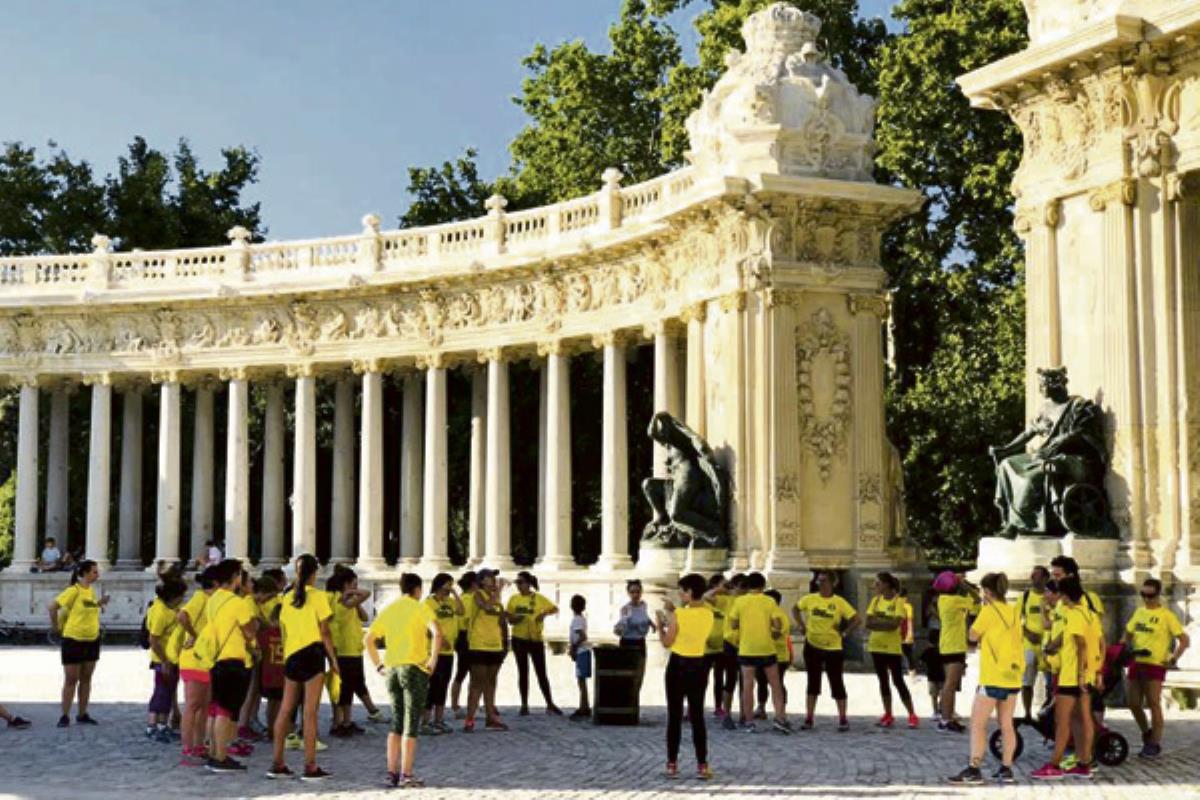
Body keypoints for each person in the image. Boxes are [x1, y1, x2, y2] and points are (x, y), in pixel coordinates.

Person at [366, 572, 443, 789]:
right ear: (417, 589)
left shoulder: (390, 609)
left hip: (392, 668)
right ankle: (406, 773)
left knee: (396, 721)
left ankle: (391, 772)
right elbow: (437, 633)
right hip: (414, 668)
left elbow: (368, 639)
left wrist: (378, 664)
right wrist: (433, 659)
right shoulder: (420, 607)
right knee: (411, 723)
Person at [269, 554, 339, 782]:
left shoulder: (285, 597)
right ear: (314, 573)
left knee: (285, 709)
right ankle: (310, 765)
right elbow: (325, 632)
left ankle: (277, 762)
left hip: (291, 655)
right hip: (312, 654)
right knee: (310, 713)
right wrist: (334, 662)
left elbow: (282, 628)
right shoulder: (318, 597)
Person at [948, 573, 1022, 785]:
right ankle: (1006, 768)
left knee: (978, 724)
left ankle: (974, 768)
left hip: (992, 676)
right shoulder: (1014, 611)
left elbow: (972, 635)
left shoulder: (988, 611)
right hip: (1013, 675)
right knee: (1006, 724)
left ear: (987, 592)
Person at [1033, 575, 1098, 780]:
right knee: (1083, 718)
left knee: (1062, 722)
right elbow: (1098, 642)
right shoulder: (1088, 614)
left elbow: (1081, 645)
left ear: (1064, 595)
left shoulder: (1074, 615)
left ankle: (1054, 764)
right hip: (1087, 674)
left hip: (1072, 676)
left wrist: (1078, 675)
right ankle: (1084, 762)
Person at [656, 573, 715, 780]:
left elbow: (667, 642)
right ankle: (702, 764)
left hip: (678, 665)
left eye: (682, 590)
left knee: (674, 716)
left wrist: (659, 626)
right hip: (699, 665)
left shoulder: (679, 615)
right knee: (697, 716)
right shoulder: (709, 614)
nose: (680, 593)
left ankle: (672, 763)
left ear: (689, 592)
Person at [1124, 578, 1190, 758]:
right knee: (1133, 702)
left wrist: (1173, 658)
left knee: (1153, 702)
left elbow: (1184, 640)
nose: (1146, 599)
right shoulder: (1139, 612)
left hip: (1155, 664)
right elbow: (1128, 633)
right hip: (1137, 662)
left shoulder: (1167, 616)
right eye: (1143, 594)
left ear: (1158, 594)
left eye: (1150, 595)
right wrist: (1124, 647)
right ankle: (1146, 731)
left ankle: (1155, 742)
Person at [204, 560, 258, 773]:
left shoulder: (213, 600)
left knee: (216, 709)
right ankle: (221, 756)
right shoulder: (238, 603)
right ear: (236, 577)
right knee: (226, 711)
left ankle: (212, 752)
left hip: (216, 658)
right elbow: (249, 632)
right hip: (234, 659)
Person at [793, 569, 858, 731]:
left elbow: (856, 619)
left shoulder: (839, 602)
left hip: (833, 648)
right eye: (818, 581)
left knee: (836, 683)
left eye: (823, 581)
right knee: (812, 683)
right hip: (812, 645)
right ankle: (809, 718)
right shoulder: (810, 598)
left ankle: (843, 718)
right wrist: (801, 624)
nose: (819, 583)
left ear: (832, 583)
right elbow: (795, 608)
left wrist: (845, 632)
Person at [730, 572, 791, 734]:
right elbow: (777, 624)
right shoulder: (769, 601)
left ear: (748, 586)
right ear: (763, 586)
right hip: (766, 648)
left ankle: (749, 721)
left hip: (747, 648)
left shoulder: (740, 601)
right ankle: (780, 717)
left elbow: (734, 623)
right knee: (775, 684)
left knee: (748, 686)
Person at [49, 560, 107, 727]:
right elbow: (52, 606)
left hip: (92, 639)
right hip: (73, 639)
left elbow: (89, 607)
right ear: (85, 573)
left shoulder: (92, 591)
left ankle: (82, 713)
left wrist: (99, 604)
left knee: (87, 678)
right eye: (94, 572)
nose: (97, 575)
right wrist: (55, 627)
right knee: (71, 679)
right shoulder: (73, 590)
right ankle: (65, 715)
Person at [327, 567, 381, 736]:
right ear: (345, 584)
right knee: (345, 688)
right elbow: (366, 593)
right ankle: (341, 722)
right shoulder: (340, 600)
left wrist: (355, 601)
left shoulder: (350, 602)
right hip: (344, 649)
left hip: (353, 649)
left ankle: (347, 721)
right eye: (353, 583)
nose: (357, 586)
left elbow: (364, 617)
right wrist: (354, 593)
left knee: (351, 685)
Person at [865, 572, 918, 729]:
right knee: (883, 681)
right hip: (876, 645)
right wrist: (885, 624)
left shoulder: (899, 602)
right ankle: (888, 713)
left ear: (887, 584)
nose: (875, 586)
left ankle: (912, 714)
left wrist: (879, 623)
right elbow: (868, 622)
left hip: (892, 648)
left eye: (878, 583)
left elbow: (895, 624)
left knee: (898, 681)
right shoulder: (875, 601)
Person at [506, 571, 562, 716]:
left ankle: (549, 703)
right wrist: (515, 618)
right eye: (516, 583)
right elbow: (509, 618)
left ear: (528, 583)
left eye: (521, 582)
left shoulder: (538, 598)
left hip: (535, 638)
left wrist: (543, 614)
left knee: (541, 672)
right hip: (519, 638)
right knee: (523, 672)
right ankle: (524, 704)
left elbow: (555, 608)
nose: (518, 586)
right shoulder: (513, 599)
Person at [177, 567, 218, 763]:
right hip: (194, 658)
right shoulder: (200, 597)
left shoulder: (213, 600)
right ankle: (187, 747)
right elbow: (182, 616)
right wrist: (194, 635)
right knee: (193, 705)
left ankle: (199, 744)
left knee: (204, 705)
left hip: (207, 659)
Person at [463, 570, 507, 732]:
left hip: (495, 645)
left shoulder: (497, 599)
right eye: (490, 578)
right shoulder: (477, 595)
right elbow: (487, 607)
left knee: (491, 683)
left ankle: (491, 718)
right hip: (479, 644)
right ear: (481, 581)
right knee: (476, 684)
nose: (494, 581)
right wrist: (499, 591)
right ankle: (469, 719)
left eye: (494, 578)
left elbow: (500, 619)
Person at [145, 576, 187, 742]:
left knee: (169, 691)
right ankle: (152, 725)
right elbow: (153, 640)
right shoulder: (160, 612)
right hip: (162, 660)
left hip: (172, 658)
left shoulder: (171, 609)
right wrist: (164, 660)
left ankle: (163, 724)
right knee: (161, 691)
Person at [936, 573, 980, 732]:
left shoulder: (943, 599)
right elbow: (977, 599)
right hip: (954, 645)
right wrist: (964, 584)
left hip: (948, 644)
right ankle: (945, 719)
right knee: (950, 684)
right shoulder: (954, 600)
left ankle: (948, 716)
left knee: (951, 684)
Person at [422, 573, 463, 734]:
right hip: (434, 651)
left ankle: (439, 720)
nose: (449, 588)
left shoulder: (450, 602)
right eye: (447, 585)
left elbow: (461, 610)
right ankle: (425, 721)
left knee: (443, 686)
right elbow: (427, 625)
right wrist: (439, 638)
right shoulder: (429, 602)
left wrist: (454, 593)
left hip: (449, 651)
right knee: (432, 687)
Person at [1019, 566, 1052, 722]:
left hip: (1048, 644)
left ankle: (1047, 711)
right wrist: (1027, 633)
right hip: (1030, 644)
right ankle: (1027, 712)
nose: (1033, 578)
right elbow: (1016, 621)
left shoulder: (1051, 597)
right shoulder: (1025, 597)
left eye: (1037, 576)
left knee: (1051, 682)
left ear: (1045, 578)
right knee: (1027, 681)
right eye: (1032, 575)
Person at [614, 579, 655, 703]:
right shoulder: (625, 609)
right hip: (628, 642)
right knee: (627, 674)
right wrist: (620, 627)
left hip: (640, 642)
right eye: (632, 592)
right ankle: (626, 701)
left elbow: (645, 617)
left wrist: (652, 624)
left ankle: (634, 700)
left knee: (640, 674)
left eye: (637, 591)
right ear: (628, 593)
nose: (635, 595)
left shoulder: (643, 605)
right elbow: (620, 626)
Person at [703, 574, 737, 721]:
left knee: (719, 678)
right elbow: (705, 596)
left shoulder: (727, 600)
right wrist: (718, 589)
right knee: (701, 679)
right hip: (706, 646)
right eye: (724, 584)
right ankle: (694, 707)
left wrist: (727, 590)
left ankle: (719, 706)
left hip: (722, 646)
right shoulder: (708, 601)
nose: (726, 586)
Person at [449, 571, 478, 717]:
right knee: (465, 673)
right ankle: (458, 706)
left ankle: (459, 705)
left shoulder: (462, 598)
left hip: (461, 637)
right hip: (467, 636)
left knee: (463, 672)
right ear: (474, 584)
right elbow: (468, 619)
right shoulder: (470, 599)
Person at [568, 594, 592, 718]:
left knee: (581, 681)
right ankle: (585, 705)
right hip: (584, 651)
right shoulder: (582, 618)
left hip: (581, 651)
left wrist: (573, 647)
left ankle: (584, 707)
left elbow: (582, 636)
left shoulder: (577, 619)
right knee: (581, 681)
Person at [899, 588, 916, 677]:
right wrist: (910, 632)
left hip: (895, 632)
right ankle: (912, 673)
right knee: (908, 653)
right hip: (905, 632)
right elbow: (909, 620)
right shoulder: (908, 606)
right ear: (906, 596)